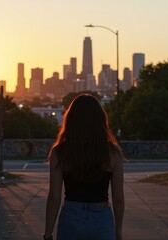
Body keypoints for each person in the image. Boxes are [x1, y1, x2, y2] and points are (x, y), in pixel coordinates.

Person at [43, 94, 125, 240]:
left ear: (71, 120)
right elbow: (118, 198)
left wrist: (48, 234)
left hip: (71, 218)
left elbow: (54, 197)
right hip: (102, 219)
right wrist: (118, 231)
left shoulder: (60, 152)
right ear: (100, 120)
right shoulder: (113, 153)